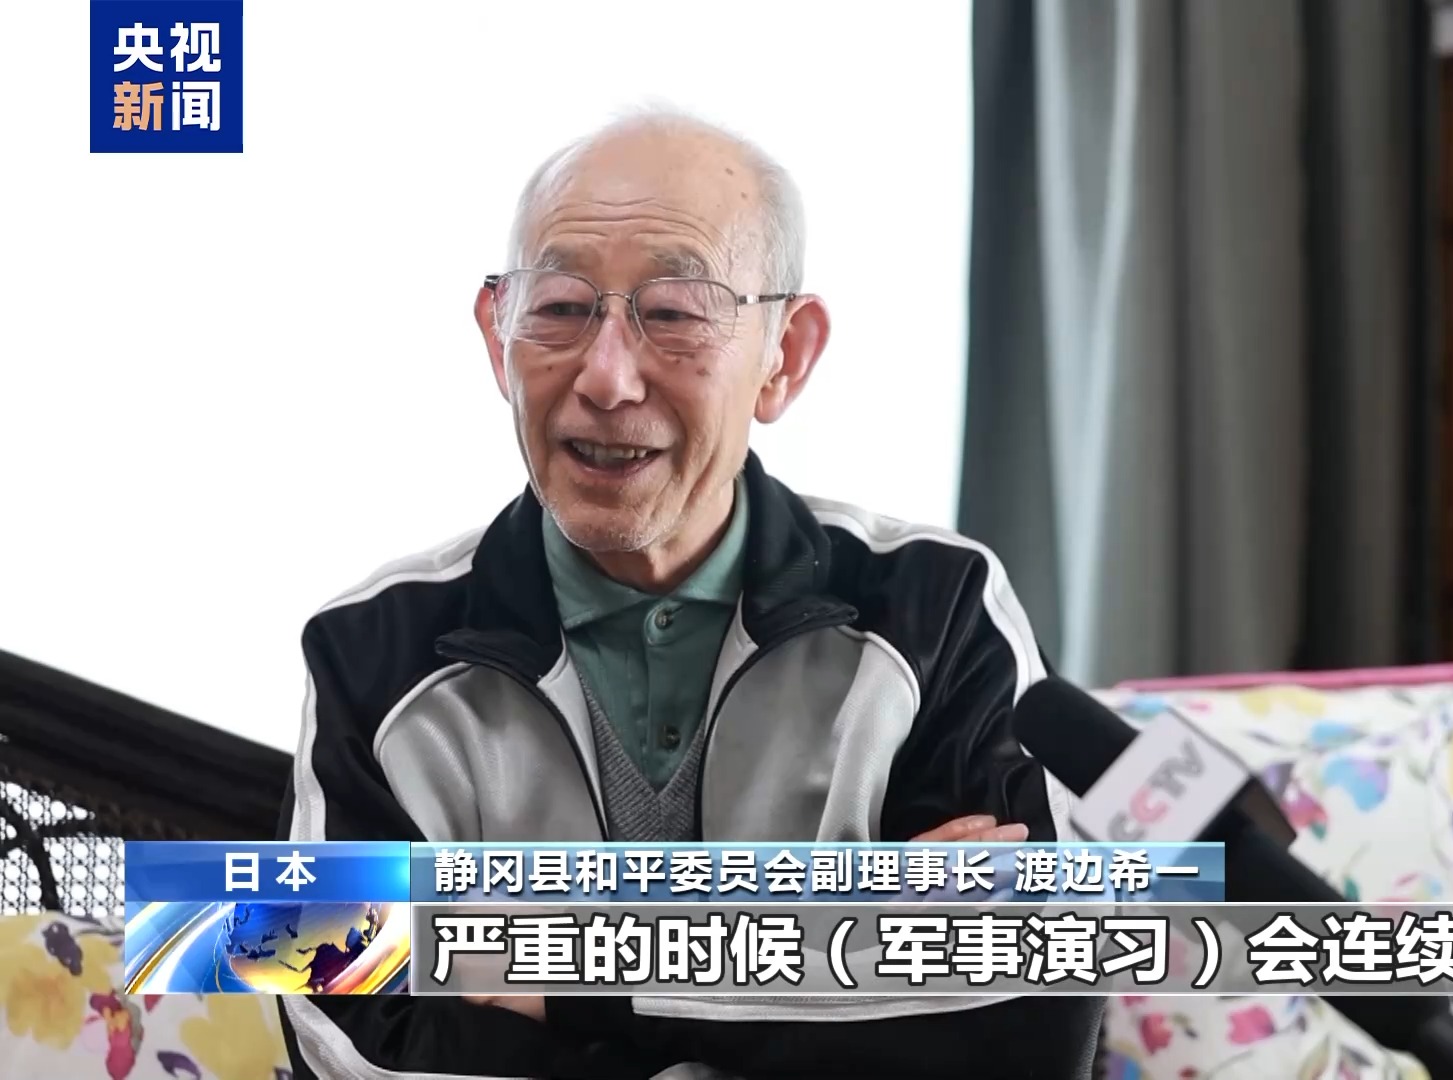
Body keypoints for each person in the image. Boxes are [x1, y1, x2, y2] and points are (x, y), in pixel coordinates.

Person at [275, 107, 1105, 1079]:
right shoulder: (371, 653)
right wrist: (835, 943)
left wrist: (570, 977)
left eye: (673, 313)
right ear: (498, 337)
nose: (607, 378)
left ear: (785, 356)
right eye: (560, 308)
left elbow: (1029, 1015)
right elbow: (351, 1047)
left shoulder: (937, 606)